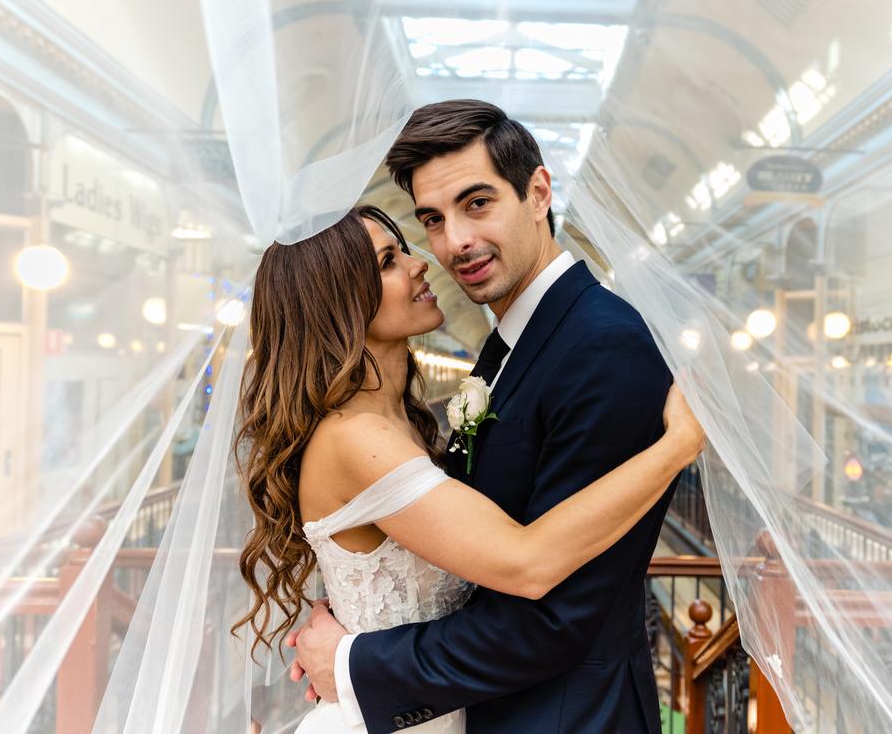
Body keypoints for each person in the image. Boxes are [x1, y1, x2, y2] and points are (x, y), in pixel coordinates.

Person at [287, 100, 685, 733]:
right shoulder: (510, 344)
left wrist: (356, 661)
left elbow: (557, 613)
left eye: (477, 204)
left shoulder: (601, 344)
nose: (451, 245)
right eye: (432, 220)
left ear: (537, 192)